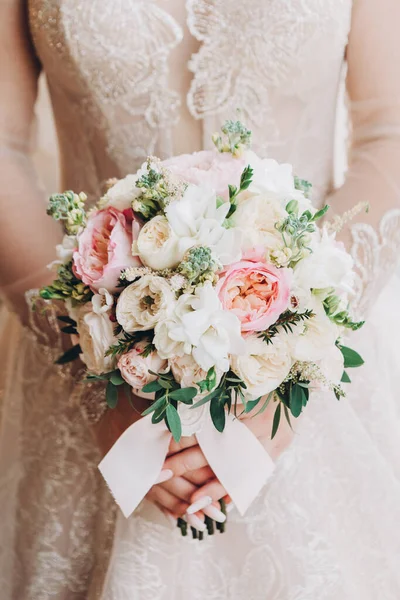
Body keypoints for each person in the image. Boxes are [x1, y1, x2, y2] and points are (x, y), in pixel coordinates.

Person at [1, 1, 400, 598]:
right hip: (83, 353)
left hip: (322, 365)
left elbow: (389, 133)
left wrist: (293, 366)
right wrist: (94, 373)